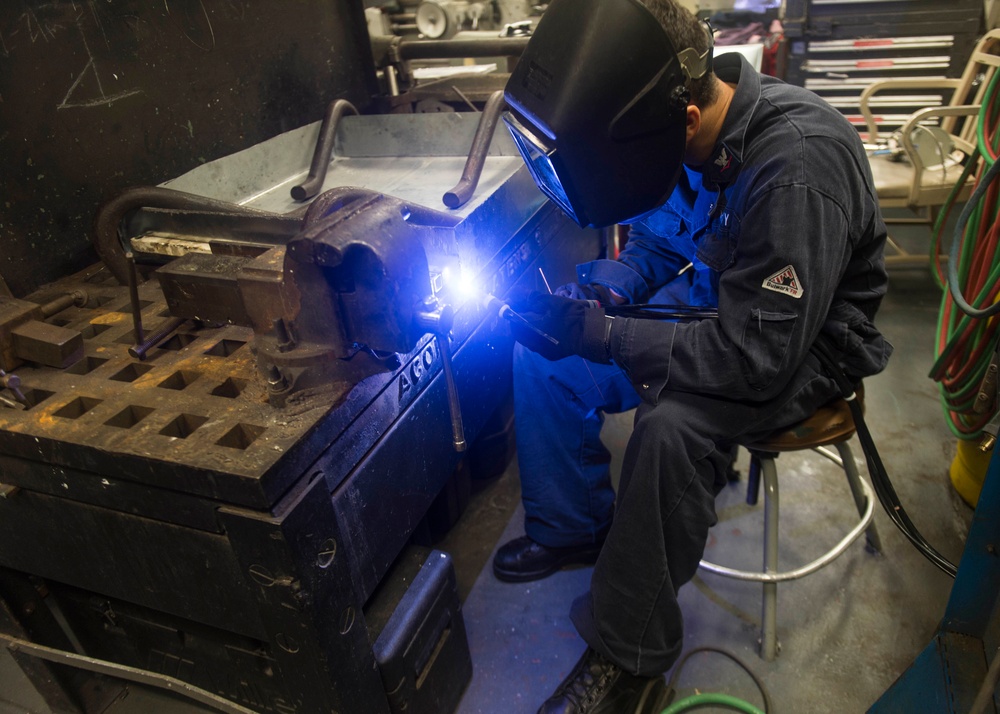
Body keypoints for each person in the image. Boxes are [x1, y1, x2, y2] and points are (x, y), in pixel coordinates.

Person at [496, 0, 893, 711]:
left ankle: (630, 657)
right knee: (546, 359)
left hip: (804, 346)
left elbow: (755, 358)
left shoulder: (798, 164)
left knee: (672, 428)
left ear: (683, 118)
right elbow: (661, 240)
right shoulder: (676, 130)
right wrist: (606, 295)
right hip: (724, 312)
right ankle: (572, 527)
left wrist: (606, 336)